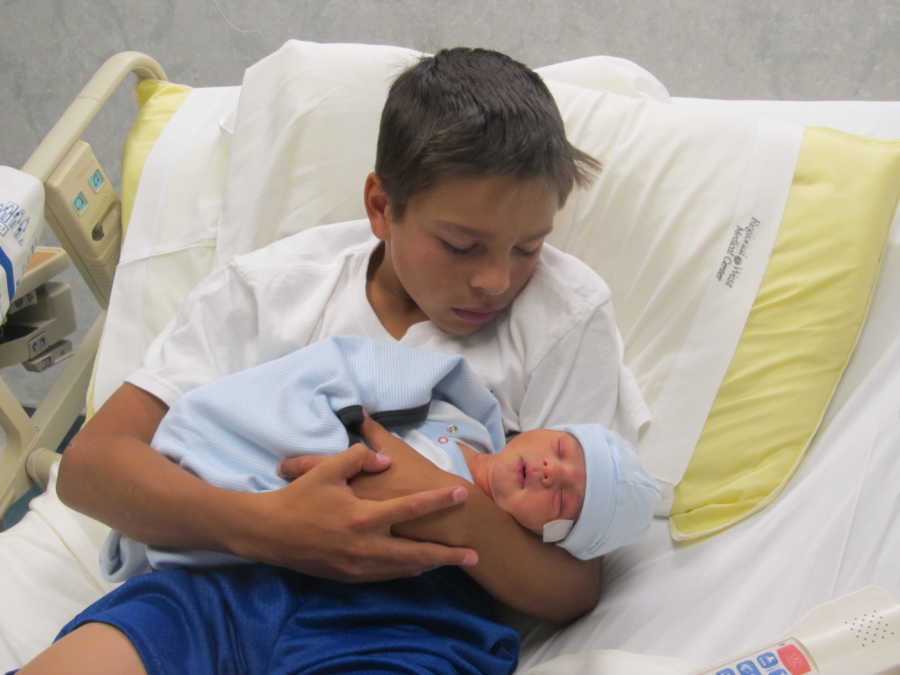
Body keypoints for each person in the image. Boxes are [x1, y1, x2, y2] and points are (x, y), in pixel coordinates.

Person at [28, 46, 650, 672]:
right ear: (381, 207)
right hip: (217, 586)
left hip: (407, 621)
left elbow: (573, 586)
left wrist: (447, 502)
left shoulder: (565, 316)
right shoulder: (270, 291)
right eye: (461, 246)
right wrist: (270, 526)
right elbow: (93, 468)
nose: (495, 280)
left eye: (528, 247)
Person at [18, 336, 657, 675]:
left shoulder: (519, 567)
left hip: (400, 626)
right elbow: (320, 386)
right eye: (565, 451)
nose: (552, 471)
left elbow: (576, 589)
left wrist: (431, 503)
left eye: (566, 496)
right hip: (230, 585)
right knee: (116, 645)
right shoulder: (450, 407)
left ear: (557, 540)